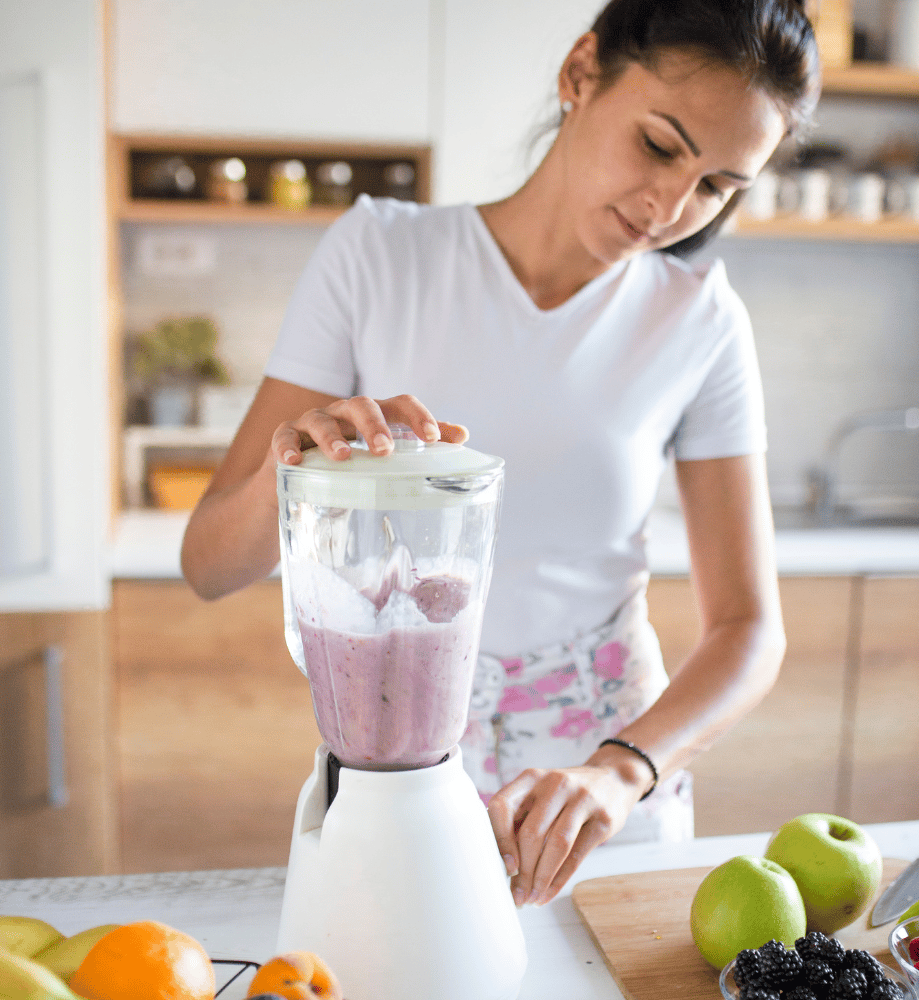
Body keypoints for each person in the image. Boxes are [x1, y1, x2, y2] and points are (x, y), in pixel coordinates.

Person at [182, 0, 820, 910]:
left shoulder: (702, 321)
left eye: (718, 185)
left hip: (600, 793)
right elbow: (207, 564)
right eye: (659, 145)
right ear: (580, 72)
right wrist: (297, 472)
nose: (669, 207)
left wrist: (621, 772)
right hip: (392, 754)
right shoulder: (379, 256)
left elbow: (749, 630)